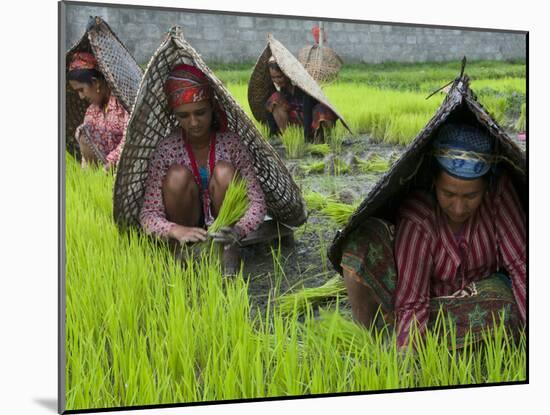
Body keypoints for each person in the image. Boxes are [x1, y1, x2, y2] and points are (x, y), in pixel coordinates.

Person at [342, 122, 526, 349]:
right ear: (434, 182)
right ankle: (371, 338)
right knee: (361, 245)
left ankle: (420, 339)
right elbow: (412, 300)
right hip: (428, 305)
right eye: (448, 193)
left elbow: (521, 267)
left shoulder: (499, 196)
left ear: (486, 187)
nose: (458, 208)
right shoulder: (419, 216)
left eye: (471, 196)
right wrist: (407, 366)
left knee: (504, 303)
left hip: (480, 302)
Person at [139, 64, 267, 254]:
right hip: (186, 224)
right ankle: (183, 252)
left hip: (225, 227)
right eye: (184, 115)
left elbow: (257, 201)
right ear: (175, 116)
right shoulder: (167, 149)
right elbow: (148, 213)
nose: (193, 122)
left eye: (200, 113)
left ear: (212, 109)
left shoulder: (231, 144)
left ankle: (226, 250)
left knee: (225, 172)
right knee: (176, 176)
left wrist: (238, 229)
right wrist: (175, 230)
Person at [68, 51, 128, 169]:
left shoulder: (122, 103)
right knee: (83, 132)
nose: (81, 96)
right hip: (103, 174)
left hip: (124, 166)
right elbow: (87, 155)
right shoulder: (91, 111)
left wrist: (110, 163)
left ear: (95, 82)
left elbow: (129, 139)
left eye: (81, 90)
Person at [266, 56, 336, 143]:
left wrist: (306, 137)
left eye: (279, 77)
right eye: (273, 78)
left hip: (312, 120)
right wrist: (271, 134)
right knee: (274, 98)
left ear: (287, 74)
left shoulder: (303, 88)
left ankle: (323, 140)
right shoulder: (283, 90)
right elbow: (269, 112)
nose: (276, 81)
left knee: (322, 110)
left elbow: (307, 112)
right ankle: (288, 138)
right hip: (297, 121)